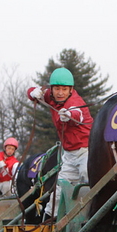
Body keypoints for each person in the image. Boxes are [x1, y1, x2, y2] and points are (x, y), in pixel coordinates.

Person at [27, 67, 93, 218]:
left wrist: (69, 114)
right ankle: (48, 222)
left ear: (71, 90)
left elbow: (79, 114)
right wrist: (33, 92)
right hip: (69, 155)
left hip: (86, 152)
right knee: (57, 193)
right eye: (57, 88)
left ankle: (87, 218)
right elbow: (32, 92)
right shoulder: (50, 96)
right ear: (52, 89)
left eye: (64, 89)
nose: (60, 92)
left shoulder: (76, 102)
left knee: (86, 180)